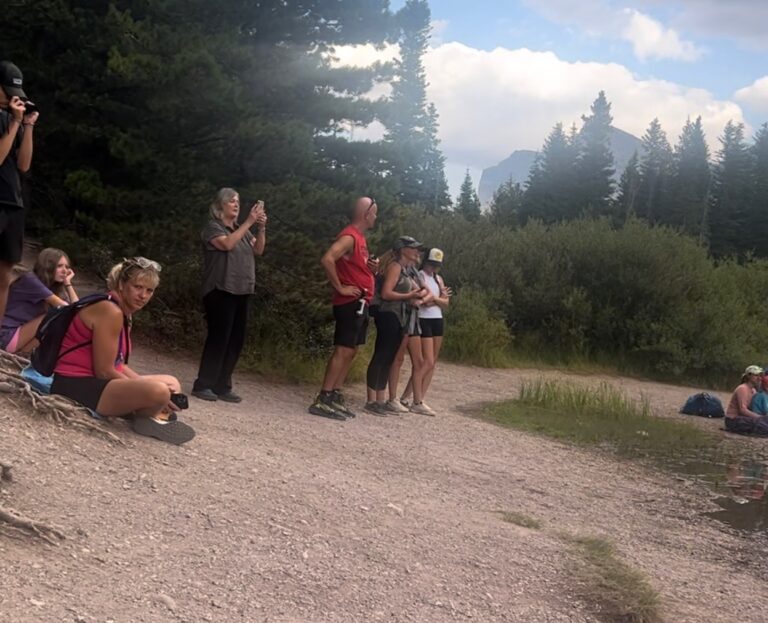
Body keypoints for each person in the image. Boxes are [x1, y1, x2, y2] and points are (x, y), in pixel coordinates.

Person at [50, 257, 194, 444]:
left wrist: (141, 385)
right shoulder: (111, 311)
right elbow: (104, 370)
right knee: (159, 392)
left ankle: (148, 413)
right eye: (138, 287)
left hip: (94, 381)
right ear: (121, 284)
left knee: (170, 383)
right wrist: (150, 391)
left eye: (149, 290)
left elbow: (118, 365)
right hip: (74, 385)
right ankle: (147, 416)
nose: (143, 295)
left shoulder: (122, 312)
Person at [192, 188, 267, 403]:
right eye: (231, 201)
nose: (236, 204)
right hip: (220, 288)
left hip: (243, 289)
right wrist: (249, 222)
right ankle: (203, 384)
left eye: (238, 201)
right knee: (219, 337)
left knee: (236, 339)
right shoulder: (213, 227)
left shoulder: (242, 230)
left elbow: (259, 250)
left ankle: (222, 385)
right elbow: (226, 244)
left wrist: (261, 227)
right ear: (220, 205)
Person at [308, 196, 379, 421]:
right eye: (375, 212)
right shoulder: (349, 236)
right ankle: (324, 397)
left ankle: (335, 394)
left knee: (352, 349)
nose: (377, 216)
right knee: (343, 348)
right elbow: (328, 258)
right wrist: (340, 287)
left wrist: (370, 268)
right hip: (349, 302)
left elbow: (354, 265)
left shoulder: (360, 239)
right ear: (366, 214)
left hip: (361, 302)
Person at [364, 239, 429, 415]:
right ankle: (371, 400)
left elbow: (421, 290)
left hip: (398, 316)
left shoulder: (406, 270)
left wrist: (415, 295)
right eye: (413, 249)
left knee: (388, 358)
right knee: (381, 355)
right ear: (403, 250)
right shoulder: (395, 267)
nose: (417, 252)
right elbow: (386, 292)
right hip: (388, 314)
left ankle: (379, 399)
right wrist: (409, 295)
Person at [0, 61, 37, 329]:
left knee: (4, 276)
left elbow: (23, 165)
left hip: (13, 202)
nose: (13, 98)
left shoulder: (13, 117)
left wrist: (27, 126)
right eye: (7, 91)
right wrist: (14, 122)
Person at [0, 247, 78, 354]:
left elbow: (77, 310)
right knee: (55, 315)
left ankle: (26, 355)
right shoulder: (30, 280)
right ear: (48, 266)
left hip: (18, 338)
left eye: (67, 267)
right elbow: (69, 309)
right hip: (5, 335)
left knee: (61, 317)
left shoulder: (52, 290)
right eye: (59, 266)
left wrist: (68, 284)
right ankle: (26, 354)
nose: (65, 271)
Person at [400, 248, 452, 408]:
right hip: (424, 319)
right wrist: (436, 299)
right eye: (431, 264)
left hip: (437, 319)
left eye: (436, 265)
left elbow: (445, 303)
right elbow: (424, 298)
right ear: (426, 262)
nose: (433, 268)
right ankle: (408, 397)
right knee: (426, 362)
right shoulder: (420, 275)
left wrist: (434, 299)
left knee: (433, 362)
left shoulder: (438, 279)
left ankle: (420, 396)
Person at [725, 365, 768, 436]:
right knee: (763, 426)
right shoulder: (742, 388)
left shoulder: (753, 390)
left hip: (742, 418)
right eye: (756, 375)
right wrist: (759, 417)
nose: (759, 378)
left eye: (760, 376)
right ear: (749, 376)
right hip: (733, 420)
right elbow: (743, 410)